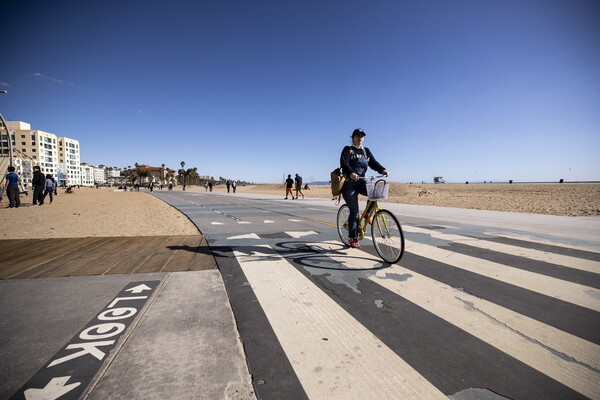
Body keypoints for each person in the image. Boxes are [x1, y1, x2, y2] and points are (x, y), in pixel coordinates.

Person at [340, 128, 388, 249]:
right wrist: (351, 173)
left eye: (362, 136)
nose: (360, 138)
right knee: (354, 212)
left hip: (362, 182)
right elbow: (344, 163)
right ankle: (352, 237)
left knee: (376, 194)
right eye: (357, 136)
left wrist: (382, 169)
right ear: (353, 138)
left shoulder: (366, 151)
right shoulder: (348, 149)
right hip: (349, 184)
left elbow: (373, 163)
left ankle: (367, 214)